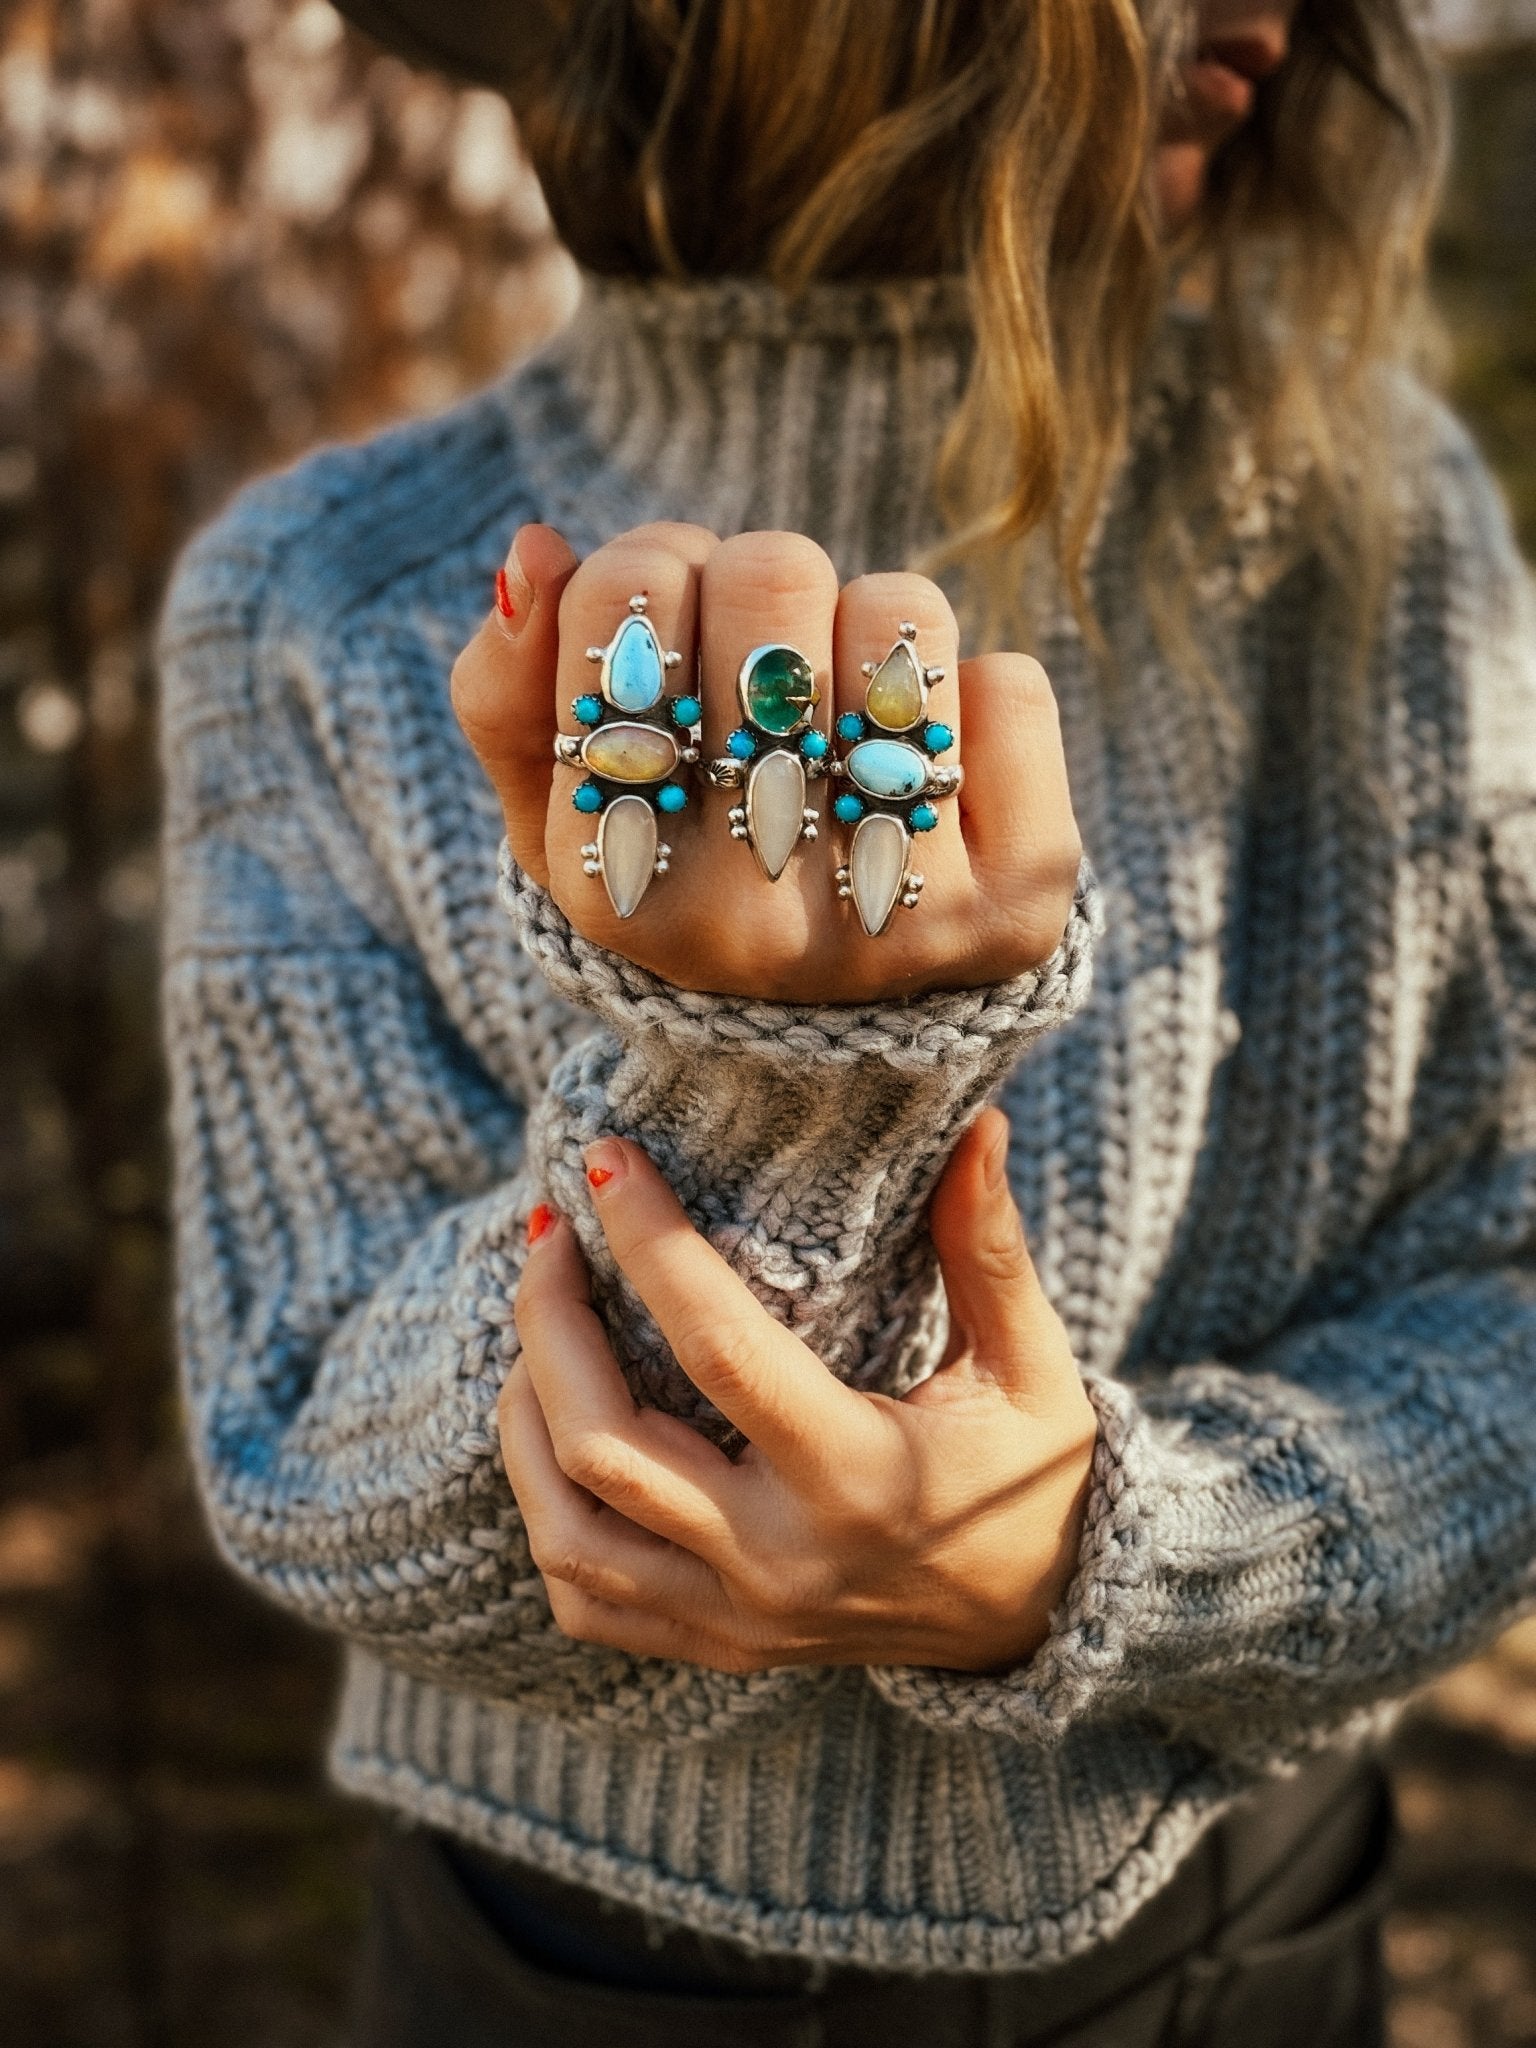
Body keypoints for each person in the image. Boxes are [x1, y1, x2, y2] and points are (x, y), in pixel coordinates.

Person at [157, 2, 1536, 2043]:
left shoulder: (1365, 520)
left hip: (1235, 1944)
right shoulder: (322, 604)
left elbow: (1509, 1266)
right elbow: (291, 1417)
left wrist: (1106, 1554)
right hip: (561, 1975)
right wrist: (756, 1085)